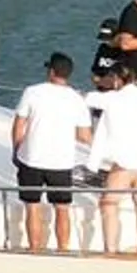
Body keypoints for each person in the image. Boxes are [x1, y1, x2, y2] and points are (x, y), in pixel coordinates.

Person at [10, 51, 93, 255]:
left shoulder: (32, 92)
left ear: (51, 71)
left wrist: (16, 149)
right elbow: (84, 136)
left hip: (31, 158)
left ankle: (34, 249)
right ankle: (63, 249)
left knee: (33, 206)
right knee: (62, 208)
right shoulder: (77, 99)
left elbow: (19, 125)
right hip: (61, 162)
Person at [87, 65, 137, 255]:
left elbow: (88, 98)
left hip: (123, 161)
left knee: (109, 204)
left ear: (116, 79)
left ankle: (111, 249)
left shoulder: (111, 98)